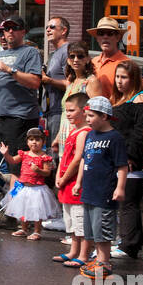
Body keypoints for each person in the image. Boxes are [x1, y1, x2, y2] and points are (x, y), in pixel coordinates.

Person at [71, 96, 128, 279]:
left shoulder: (115, 138)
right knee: (92, 230)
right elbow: (83, 161)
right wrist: (78, 182)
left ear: (104, 116)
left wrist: (120, 187)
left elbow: (122, 165)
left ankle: (104, 262)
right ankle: (98, 260)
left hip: (105, 191)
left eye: (91, 116)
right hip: (89, 190)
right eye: (86, 116)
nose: (87, 120)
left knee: (102, 228)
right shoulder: (90, 135)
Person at [108, 59, 143, 260]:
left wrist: (130, 158)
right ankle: (125, 240)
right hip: (114, 157)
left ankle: (129, 245)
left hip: (130, 161)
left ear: (133, 78)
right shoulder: (117, 99)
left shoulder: (141, 100)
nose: (119, 81)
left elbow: (139, 132)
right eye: (117, 77)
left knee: (128, 202)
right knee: (120, 202)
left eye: (124, 77)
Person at [0, 16, 42, 154]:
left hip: (21, 116)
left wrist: (9, 70)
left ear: (23, 32)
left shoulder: (30, 52)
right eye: (7, 29)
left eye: (15, 28)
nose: (10, 31)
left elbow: (35, 82)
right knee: (7, 160)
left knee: (17, 161)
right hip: (2, 118)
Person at [0, 128, 58, 239]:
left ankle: (37, 231)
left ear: (43, 142)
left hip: (37, 188)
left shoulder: (45, 157)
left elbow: (47, 173)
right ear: (27, 142)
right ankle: (24, 228)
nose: (34, 142)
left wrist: (38, 170)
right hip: (22, 186)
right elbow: (12, 160)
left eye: (37, 139)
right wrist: (6, 154)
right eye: (31, 139)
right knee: (22, 207)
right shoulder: (24, 154)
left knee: (37, 209)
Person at [52, 93, 91, 266]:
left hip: (76, 183)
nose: (67, 114)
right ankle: (74, 251)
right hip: (67, 183)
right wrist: (58, 175)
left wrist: (65, 177)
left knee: (80, 220)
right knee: (70, 221)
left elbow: (78, 159)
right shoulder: (74, 131)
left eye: (71, 110)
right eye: (66, 111)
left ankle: (83, 254)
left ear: (84, 111)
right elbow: (64, 157)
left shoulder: (84, 132)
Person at [53, 43, 103, 153]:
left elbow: (96, 113)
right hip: (65, 132)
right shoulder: (70, 81)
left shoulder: (91, 81)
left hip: (81, 133)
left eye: (80, 56)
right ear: (68, 60)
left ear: (87, 59)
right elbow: (65, 113)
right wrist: (57, 136)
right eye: (72, 56)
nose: (76, 60)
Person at [41, 16, 71, 143]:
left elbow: (72, 84)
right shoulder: (54, 53)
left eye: (52, 27)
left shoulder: (67, 51)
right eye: (47, 27)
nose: (48, 30)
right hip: (50, 112)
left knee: (56, 154)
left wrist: (48, 80)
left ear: (63, 31)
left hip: (61, 111)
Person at [86, 17, 127, 99]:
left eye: (110, 33)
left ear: (118, 37)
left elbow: (133, 94)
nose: (105, 37)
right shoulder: (93, 62)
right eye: (101, 33)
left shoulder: (126, 64)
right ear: (97, 38)